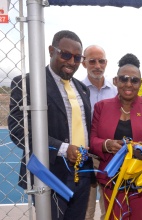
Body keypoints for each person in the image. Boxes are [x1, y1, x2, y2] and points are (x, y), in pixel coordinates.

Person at [8, 30, 94, 219]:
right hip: (49, 174)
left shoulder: (82, 89)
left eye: (77, 58)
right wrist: (63, 148)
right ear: (51, 51)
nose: (71, 62)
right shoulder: (27, 83)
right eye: (65, 55)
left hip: (82, 174)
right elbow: (18, 130)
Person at [90, 53, 142, 220]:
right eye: (123, 79)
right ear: (116, 81)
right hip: (112, 180)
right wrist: (107, 144)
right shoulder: (101, 107)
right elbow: (93, 140)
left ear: (141, 83)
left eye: (134, 80)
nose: (128, 84)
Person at [82, 45, 117, 220]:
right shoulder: (77, 89)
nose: (97, 65)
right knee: (85, 209)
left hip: (108, 156)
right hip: (83, 155)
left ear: (106, 63)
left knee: (109, 207)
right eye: (92, 61)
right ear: (84, 63)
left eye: (101, 61)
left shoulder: (116, 91)